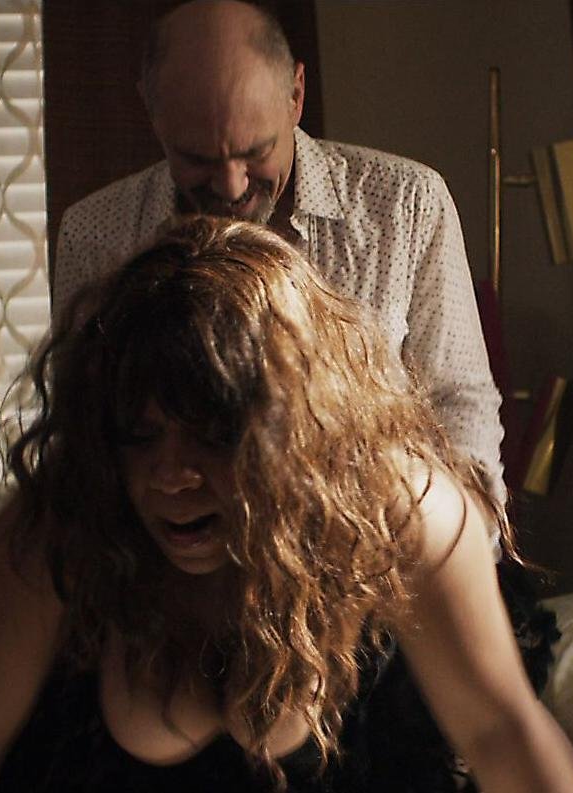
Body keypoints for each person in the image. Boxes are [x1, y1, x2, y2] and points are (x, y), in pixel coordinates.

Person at [0, 216, 573, 792]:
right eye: (139, 435)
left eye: (213, 433)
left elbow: (503, 736)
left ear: (300, 434)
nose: (171, 475)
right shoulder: (54, 535)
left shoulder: (403, 514)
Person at [54, 0, 504, 495]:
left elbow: (460, 405)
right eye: (197, 159)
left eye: (256, 152)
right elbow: (84, 432)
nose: (230, 186)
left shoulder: (407, 204)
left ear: (295, 94)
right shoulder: (95, 234)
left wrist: (464, 529)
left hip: (374, 530)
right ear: (151, 110)